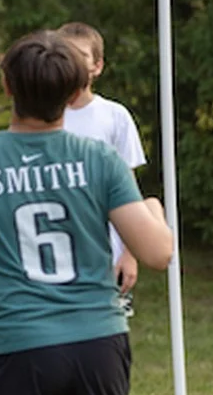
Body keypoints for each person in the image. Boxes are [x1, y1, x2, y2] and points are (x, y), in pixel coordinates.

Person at [0, 30, 173, 395]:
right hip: (99, 345)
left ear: (7, 85)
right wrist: (154, 207)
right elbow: (158, 252)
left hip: (16, 345)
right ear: (76, 92)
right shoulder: (101, 159)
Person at [57, 21, 146, 316]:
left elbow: (130, 191)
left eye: (81, 55)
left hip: (107, 252)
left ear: (97, 66)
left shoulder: (114, 116)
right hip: (57, 252)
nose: (72, 62)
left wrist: (130, 253)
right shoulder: (42, 117)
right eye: (64, 54)